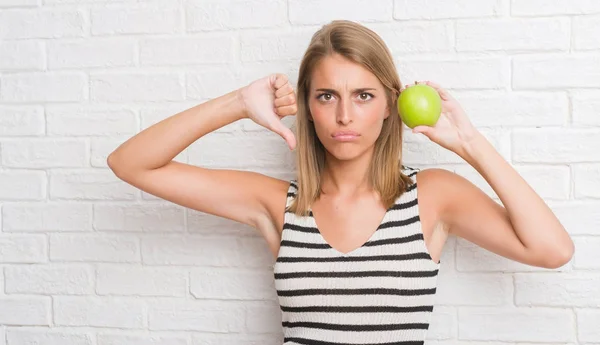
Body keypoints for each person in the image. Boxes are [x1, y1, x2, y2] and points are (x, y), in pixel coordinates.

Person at [107, 20, 574, 344]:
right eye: (326, 95)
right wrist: (237, 103)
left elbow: (551, 250)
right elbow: (131, 164)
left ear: (390, 105)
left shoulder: (431, 197)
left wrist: (470, 144)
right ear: (308, 106)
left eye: (363, 95)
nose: (345, 115)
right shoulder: (278, 203)